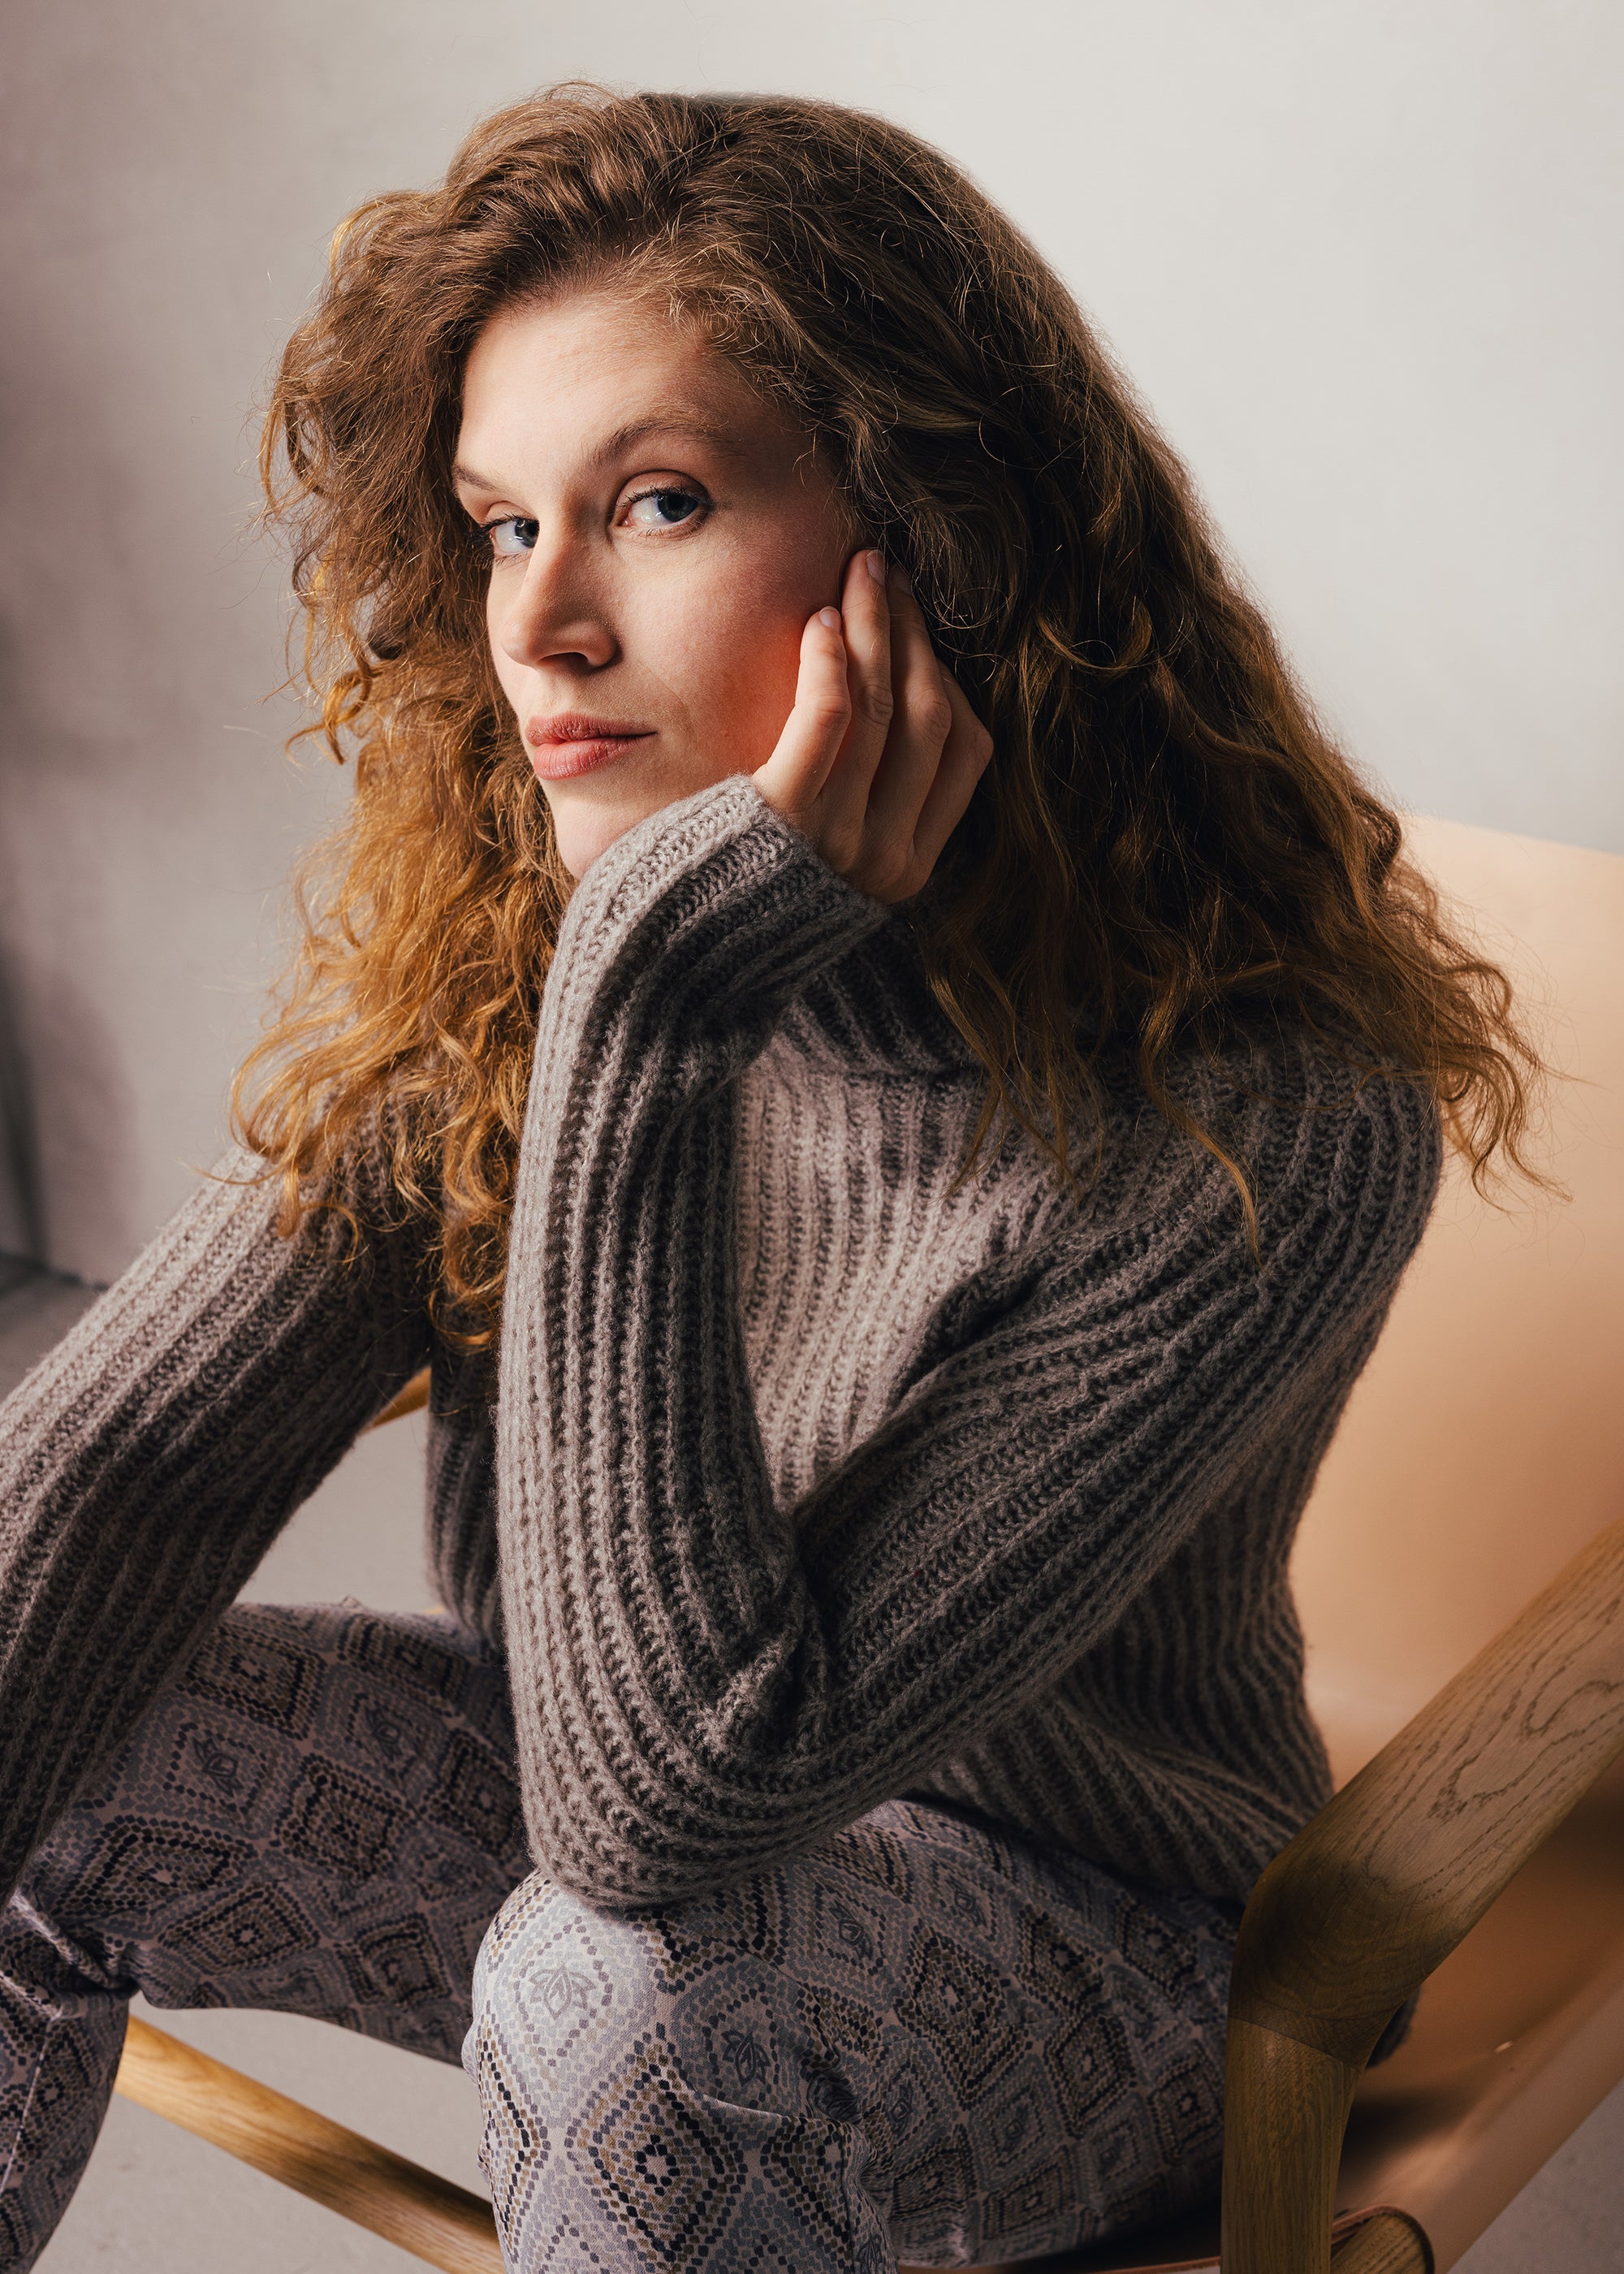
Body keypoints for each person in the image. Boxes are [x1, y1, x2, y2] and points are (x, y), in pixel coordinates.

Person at [0, 86, 1538, 2274]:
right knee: (60, 1697)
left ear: (944, 538)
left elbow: (670, 1809)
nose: (543, 623)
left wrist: (654, 1012)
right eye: (503, 525)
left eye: (658, 502)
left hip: (1094, 1942)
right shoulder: (503, 965)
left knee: (619, 1994)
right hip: (604, 1829)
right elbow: (127, 1467)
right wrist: (621, 991)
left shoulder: (1256, 1115)